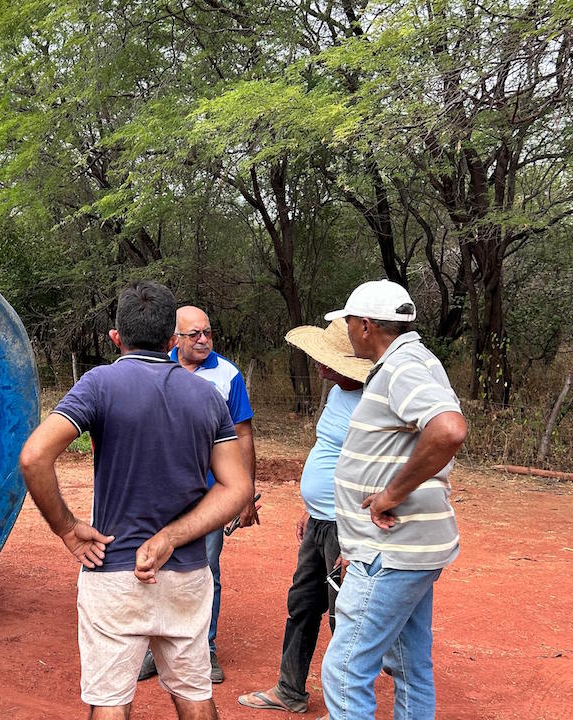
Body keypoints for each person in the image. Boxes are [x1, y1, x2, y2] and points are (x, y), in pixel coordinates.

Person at [19, 281, 253, 720]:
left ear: (116, 337)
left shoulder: (99, 384)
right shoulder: (206, 395)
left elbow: (34, 457)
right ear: (171, 341)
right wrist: (170, 538)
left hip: (111, 570)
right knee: (195, 694)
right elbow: (237, 489)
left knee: (110, 702)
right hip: (185, 572)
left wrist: (68, 528)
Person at [319, 280, 467, 720]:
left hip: (391, 549)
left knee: (345, 669)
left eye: (347, 323)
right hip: (404, 550)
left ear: (366, 326)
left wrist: (390, 495)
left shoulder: (403, 367)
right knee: (409, 664)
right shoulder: (409, 362)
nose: (345, 331)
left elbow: (449, 429)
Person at [237, 318, 371, 713]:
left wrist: (357, 537)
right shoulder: (336, 394)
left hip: (347, 527)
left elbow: (378, 471)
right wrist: (310, 506)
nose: (318, 365)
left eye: (325, 360)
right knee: (303, 605)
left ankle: (343, 706)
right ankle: (290, 690)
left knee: (341, 617)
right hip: (319, 522)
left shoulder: (373, 402)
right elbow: (331, 455)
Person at [139, 305, 258, 684]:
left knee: (206, 569)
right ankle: (151, 649)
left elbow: (244, 435)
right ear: (175, 338)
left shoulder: (227, 375)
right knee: (150, 566)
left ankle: (204, 648)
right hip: (157, 492)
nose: (203, 339)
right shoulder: (154, 367)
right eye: (194, 334)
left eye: (208, 332)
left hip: (210, 494)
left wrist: (246, 493)